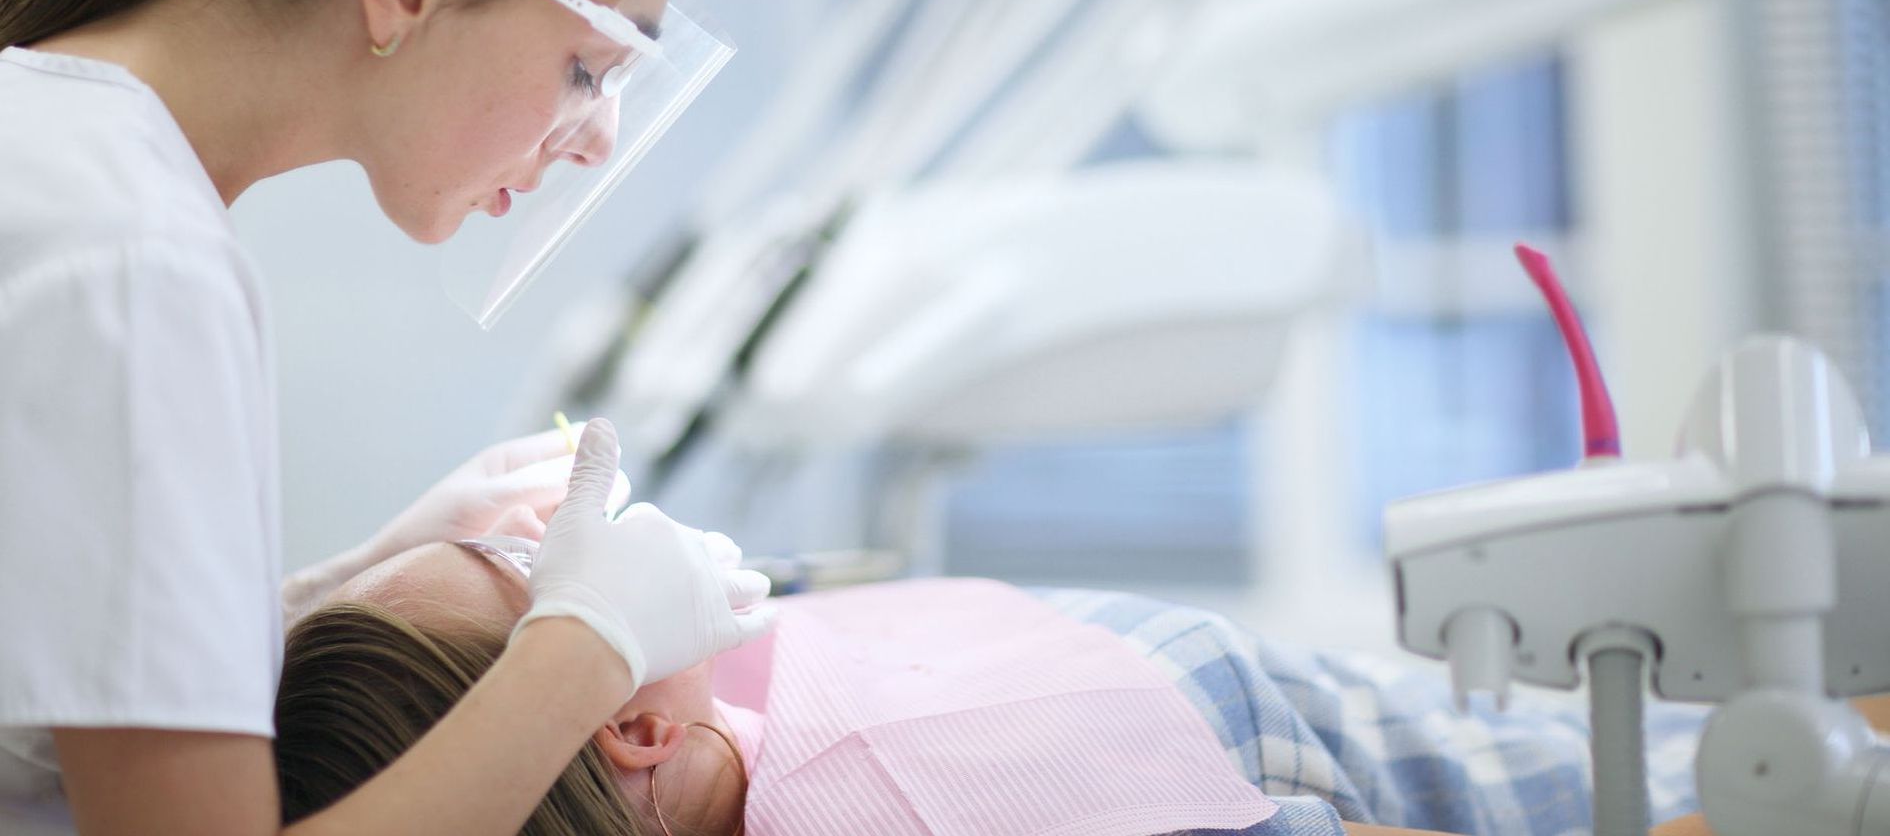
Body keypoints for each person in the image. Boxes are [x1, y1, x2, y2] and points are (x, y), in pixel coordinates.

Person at [0, 0, 771, 836]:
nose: (595, 137)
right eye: (586, 66)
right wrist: (580, 656)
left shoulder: (63, 146)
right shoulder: (134, 259)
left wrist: (351, 574)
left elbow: (40, 682)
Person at [273, 504, 1738, 836]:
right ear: (631, 738)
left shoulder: (724, 722)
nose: (547, 527)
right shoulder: (922, 795)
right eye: (540, 577)